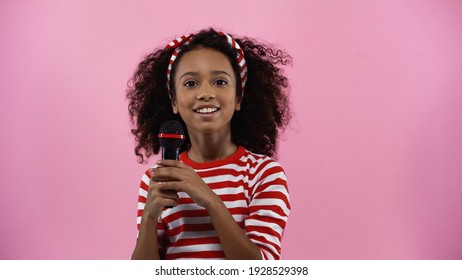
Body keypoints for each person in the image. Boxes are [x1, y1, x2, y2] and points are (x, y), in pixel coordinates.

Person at [126, 28, 292, 260]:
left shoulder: (264, 175)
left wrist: (210, 200)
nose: (205, 92)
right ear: (174, 100)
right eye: (191, 83)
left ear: (238, 98)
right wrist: (150, 218)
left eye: (220, 81)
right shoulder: (157, 180)